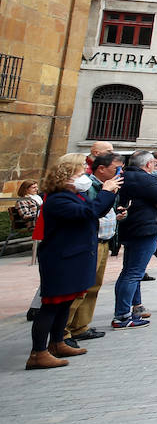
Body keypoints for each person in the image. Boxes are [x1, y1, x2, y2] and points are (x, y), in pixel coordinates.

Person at [27, 154, 121, 369]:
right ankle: (38, 352)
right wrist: (105, 192)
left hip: (75, 257)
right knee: (51, 306)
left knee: (65, 303)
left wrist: (109, 195)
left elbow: (95, 211)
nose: (84, 177)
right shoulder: (58, 199)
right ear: (66, 177)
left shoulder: (74, 195)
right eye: (79, 174)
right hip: (61, 259)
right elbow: (90, 212)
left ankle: (58, 342)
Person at [110, 151, 157, 329]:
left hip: (133, 228)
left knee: (128, 272)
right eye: (155, 164)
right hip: (144, 229)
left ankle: (122, 312)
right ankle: (123, 315)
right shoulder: (143, 179)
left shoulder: (126, 177)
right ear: (148, 164)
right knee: (134, 273)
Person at [62, 153, 123, 343]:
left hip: (104, 240)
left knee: (93, 286)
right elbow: (92, 211)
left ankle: (80, 326)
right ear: (102, 169)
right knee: (80, 287)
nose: (119, 172)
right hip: (90, 242)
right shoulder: (88, 186)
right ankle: (62, 332)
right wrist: (106, 192)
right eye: (116, 168)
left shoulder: (110, 185)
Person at [15, 180, 40, 265]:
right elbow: (25, 215)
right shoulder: (22, 201)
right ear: (26, 189)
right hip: (33, 223)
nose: (36, 189)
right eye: (33, 187)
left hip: (41, 221)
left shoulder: (37, 198)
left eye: (36, 187)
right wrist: (39, 214)